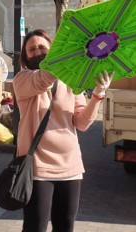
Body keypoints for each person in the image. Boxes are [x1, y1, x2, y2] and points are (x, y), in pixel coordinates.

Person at [13, 29, 113, 232]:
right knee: (35, 227)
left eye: (42, 47)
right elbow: (42, 80)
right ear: (25, 56)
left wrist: (97, 94)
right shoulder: (22, 80)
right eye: (31, 50)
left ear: (52, 50)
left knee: (65, 227)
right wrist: (68, 58)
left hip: (71, 168)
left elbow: (82, 122)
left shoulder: (70, 82)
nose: (37, 52)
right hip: (37, 168)